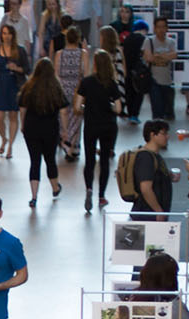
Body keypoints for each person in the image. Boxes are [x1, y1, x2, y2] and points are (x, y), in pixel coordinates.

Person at [75, 49, 125, 213]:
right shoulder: (112, 83)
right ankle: (101, 195)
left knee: (89, 160)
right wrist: (108, 106)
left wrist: (87, 108)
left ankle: (89, 188)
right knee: (104, 161)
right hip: (108, 126)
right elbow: (118, 108)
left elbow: (77, 106)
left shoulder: (87, 82)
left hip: (91, 124)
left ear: (95, 64)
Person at [18, 58, 67, 206]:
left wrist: (23, 124)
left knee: (35, 161)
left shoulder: (29, 86)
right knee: (50, 160)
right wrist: (64, 130)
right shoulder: (56, 87)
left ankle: (34, 197)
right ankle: (55, 187)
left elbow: (22, 108)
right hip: (50, 129)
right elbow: (63, 111)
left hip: (31, 128)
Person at [0, 22, 30, 160]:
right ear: (1, 35)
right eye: (4, 33)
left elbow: (27, 69)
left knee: (13, 116)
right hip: (0, 84)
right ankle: (3, 138)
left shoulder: (20, 50)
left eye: (9, 33)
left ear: (13, 35)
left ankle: (10, 146)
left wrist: (16, 68)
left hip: (15, 84)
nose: (6, 36)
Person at [129, 120, 178, 221]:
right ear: (152, 135)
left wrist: (170, 176)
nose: (167, 136)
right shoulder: (146, 157)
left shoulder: (154, 155)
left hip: (152, 214)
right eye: (164, 133)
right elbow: (145, 188)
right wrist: (158, 210)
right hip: (148, 215)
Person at [53, 26, 88, 162]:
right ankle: (74, 146)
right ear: (79, 39)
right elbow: (86, 74)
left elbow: (56, 74)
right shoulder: (83, 54)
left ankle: (65, 139)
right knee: (77, 117)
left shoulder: (59, 54)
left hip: (62, 88)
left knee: (63, 117)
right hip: (77, 88)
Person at [143, 18, 178, 120]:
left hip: (167, 81)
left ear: (167, 28)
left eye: (163, 27)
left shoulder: (171, 42)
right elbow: (149, 57)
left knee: (169, 113)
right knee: (157, 111)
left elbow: (175, 55)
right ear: (154, 28)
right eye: (158, 27)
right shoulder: (148, 41)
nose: (161, 29)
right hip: (154, 80)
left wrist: (158, 56)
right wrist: (166, 56)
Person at [119, 15, 150, 124]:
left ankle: (130, 112)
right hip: (139, 71)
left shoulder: (127, 39)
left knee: (129, 92)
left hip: (127, 69)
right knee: (138, 93)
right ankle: (135, 115)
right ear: (144, 29)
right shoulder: (144, 40)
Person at [1, 0, 34, 64]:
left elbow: (27, 39)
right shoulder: (5, 18)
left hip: (20, 51)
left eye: (15, 4)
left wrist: (28, 55)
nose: (13, 6)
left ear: (19, 5)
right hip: (7, 50)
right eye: (11, 4)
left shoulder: (24, 21)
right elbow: (0, 34)